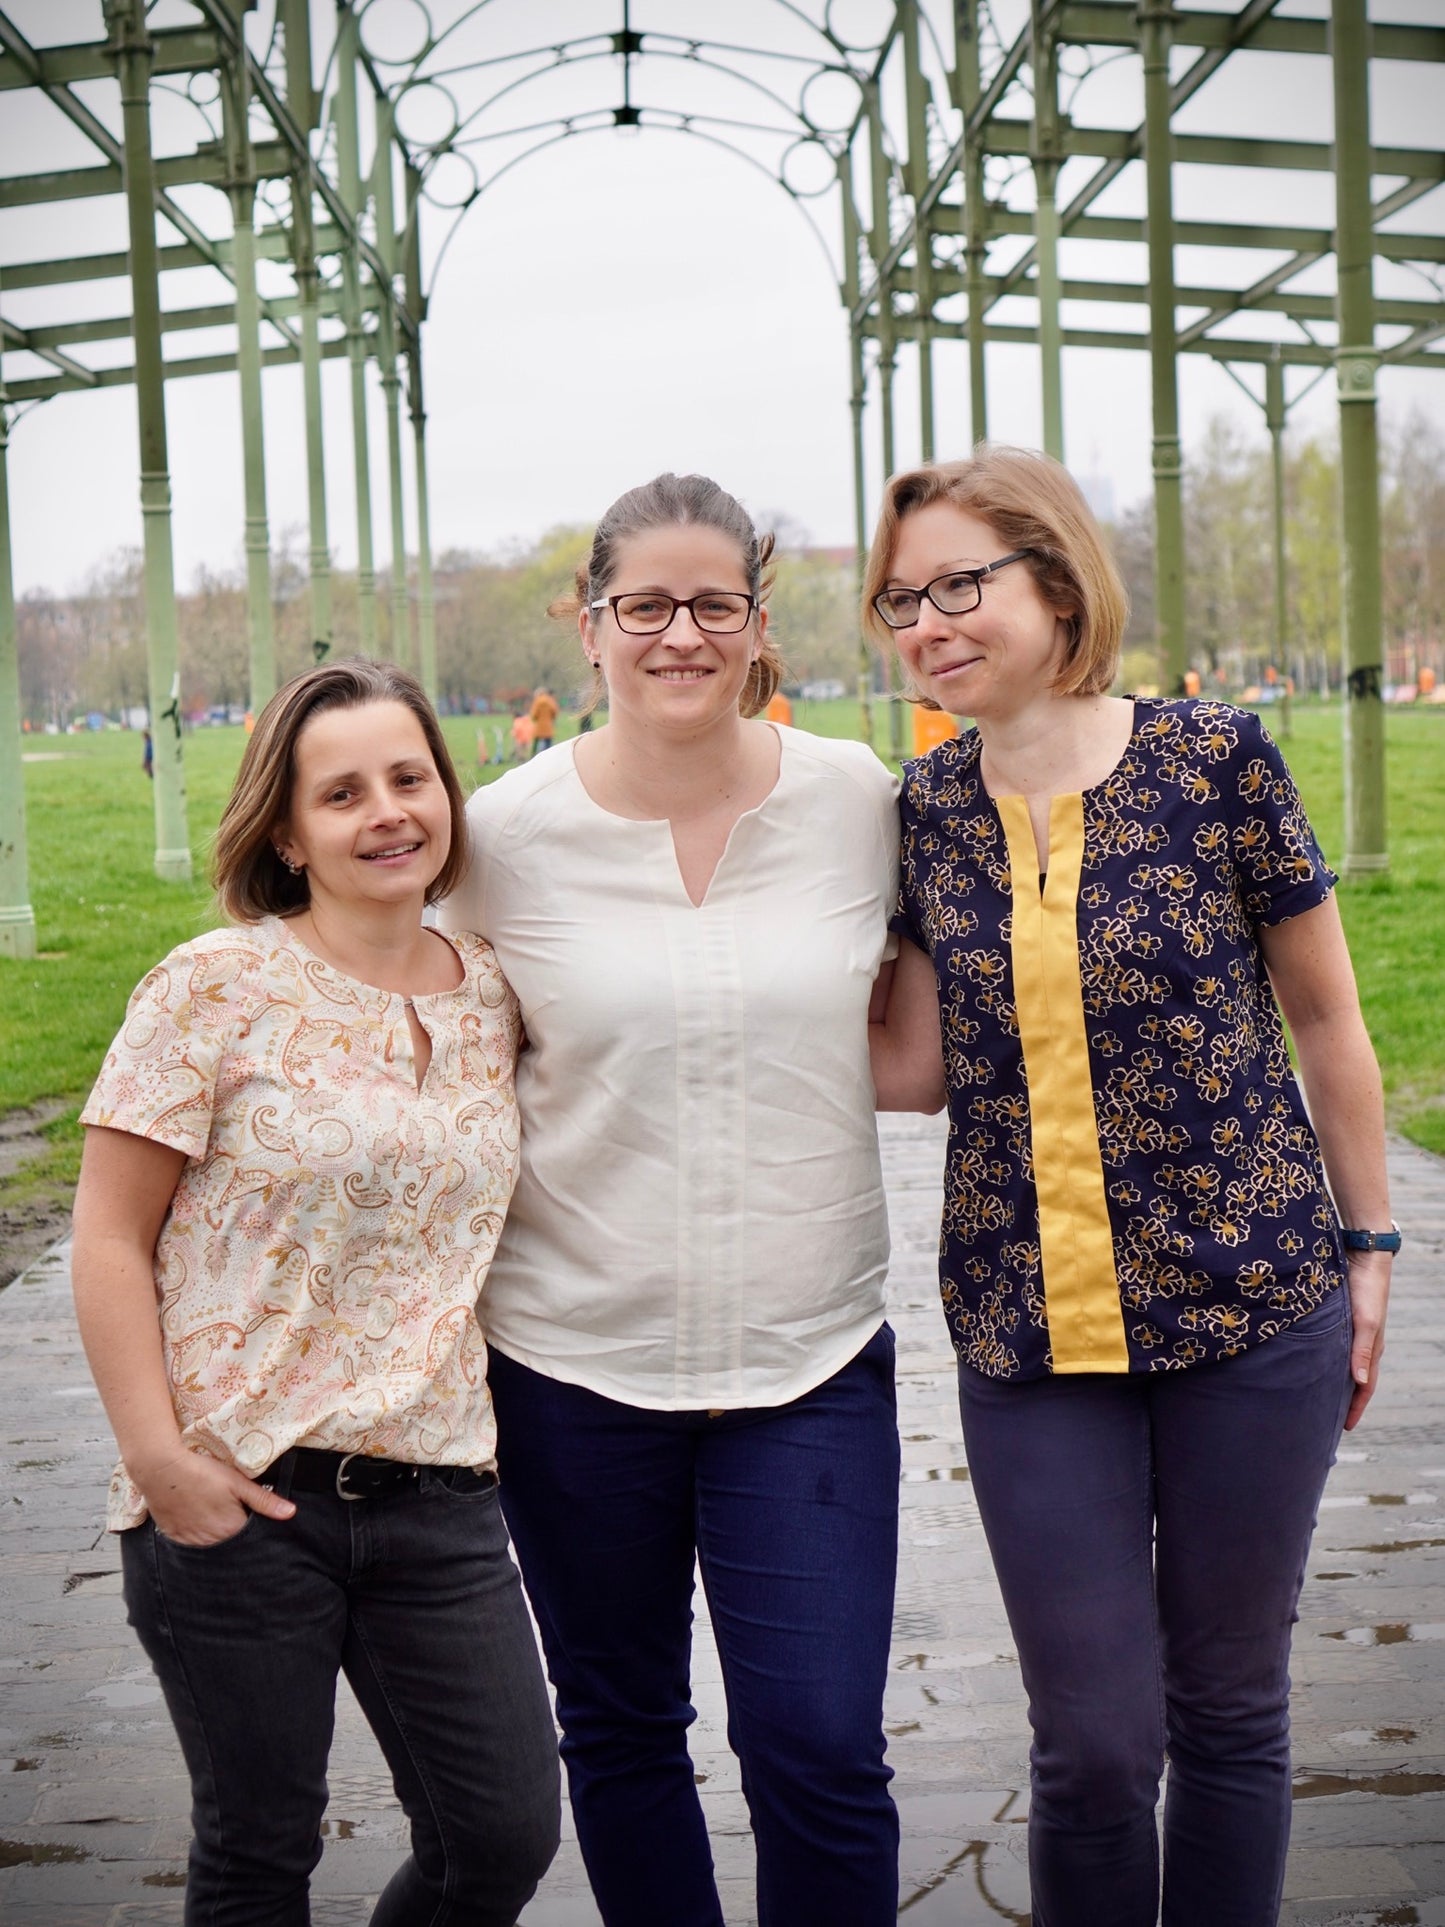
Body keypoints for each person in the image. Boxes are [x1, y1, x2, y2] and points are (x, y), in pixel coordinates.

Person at [865, 448, 1393, 1927]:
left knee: (1228, 1709)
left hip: (1253, 1306)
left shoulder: (1216, 760)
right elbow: (911, 1068)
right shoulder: (924, 809)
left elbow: (1328, 1020)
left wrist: (1368, 1244)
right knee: (1092, 1744)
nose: (927, 623)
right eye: (900, 599)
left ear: (1054, 577)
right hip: (1029, 1328)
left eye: (958, 584)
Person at [440, 473, 903, 1927]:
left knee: (820, 1744)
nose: (680, 634)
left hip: (808, 1359)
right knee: (621, 1729)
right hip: (574, 1364)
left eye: (714, 604)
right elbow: (425, 1065)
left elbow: (956, 1012)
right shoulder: (500, 837)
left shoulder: (858, 800)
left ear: (759, 624)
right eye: (644, 605)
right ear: (589, 627)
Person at [70, 660, 560, 1926]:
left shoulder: (493, 991)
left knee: (500, 1835)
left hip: (438, 1492)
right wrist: (159, 1460)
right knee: (258, 1853)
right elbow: (108, 1237)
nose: (387, 811)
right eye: (342, 793)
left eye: (409, 778)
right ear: (287, 832)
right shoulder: (210, 986)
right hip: (239, 1493)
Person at [527, 683, 559, 753]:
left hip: (539, 726)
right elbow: (555, 711)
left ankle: (534, 755)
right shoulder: (550, 700)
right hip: (548, 726)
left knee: (536, 743)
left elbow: (534, 714)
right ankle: (548, 755)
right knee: (548, 744)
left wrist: (535, 718)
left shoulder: (537, 701)